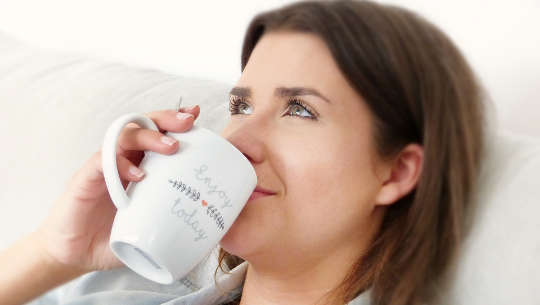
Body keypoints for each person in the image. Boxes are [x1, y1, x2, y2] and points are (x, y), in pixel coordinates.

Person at [0, 0, 487, 304]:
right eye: (240, 105)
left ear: (396, 172)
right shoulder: (119, 293)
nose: (236, 142)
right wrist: (55, 251)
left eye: (299, 110)